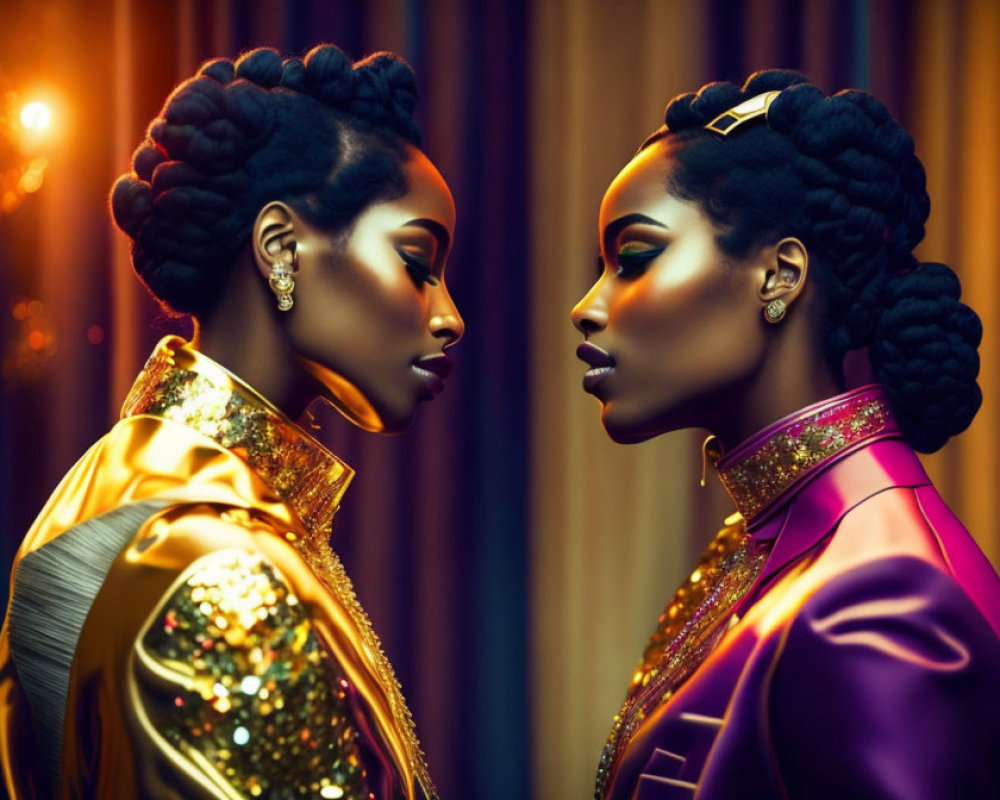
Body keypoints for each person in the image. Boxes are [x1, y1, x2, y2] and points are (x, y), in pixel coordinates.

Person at [0, 44, 462, 800]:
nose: (449, 317)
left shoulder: (144, 483)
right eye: (417, 262)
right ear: (282, 249)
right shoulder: (214, 560)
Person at [571, 69, 1000, 800]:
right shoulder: (770, 543)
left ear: (779, 275)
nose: (587, 308)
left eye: (634, 259)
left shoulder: (880, 599)